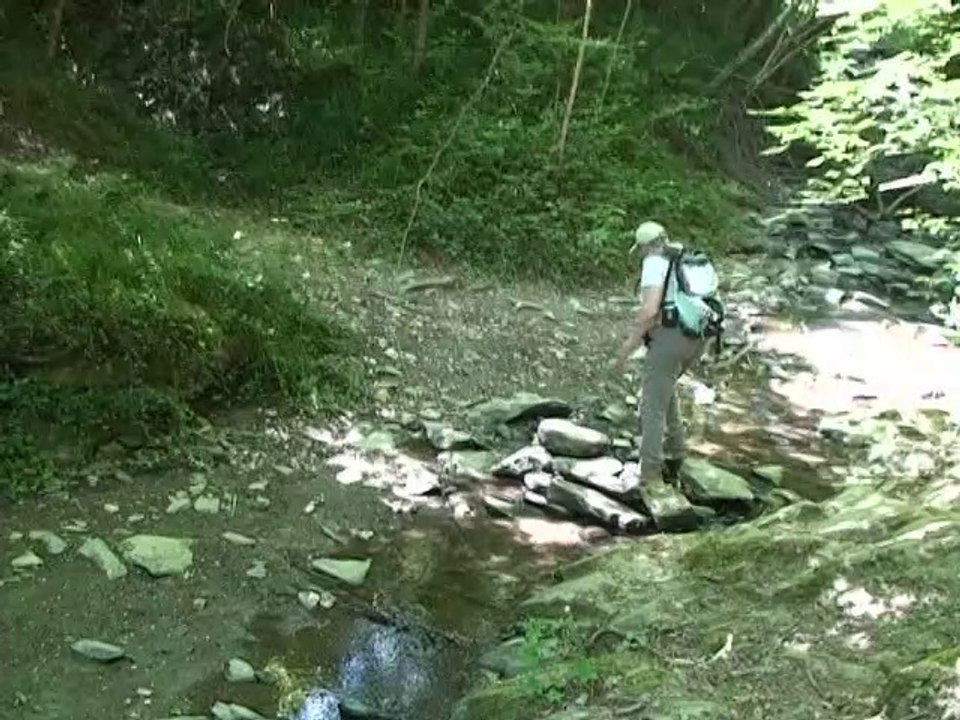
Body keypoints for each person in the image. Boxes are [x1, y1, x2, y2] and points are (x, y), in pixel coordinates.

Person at [613, 221, 708, 484]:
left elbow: (650, 310)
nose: (641, 255)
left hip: (670, 338)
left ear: (645, 247)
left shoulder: (654, 263)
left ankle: (650, 474)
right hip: (696, 337)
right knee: (664, 389)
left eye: (640, 250)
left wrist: (626, 348)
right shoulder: (683, 260)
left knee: (652, 406)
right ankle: (676, 454)